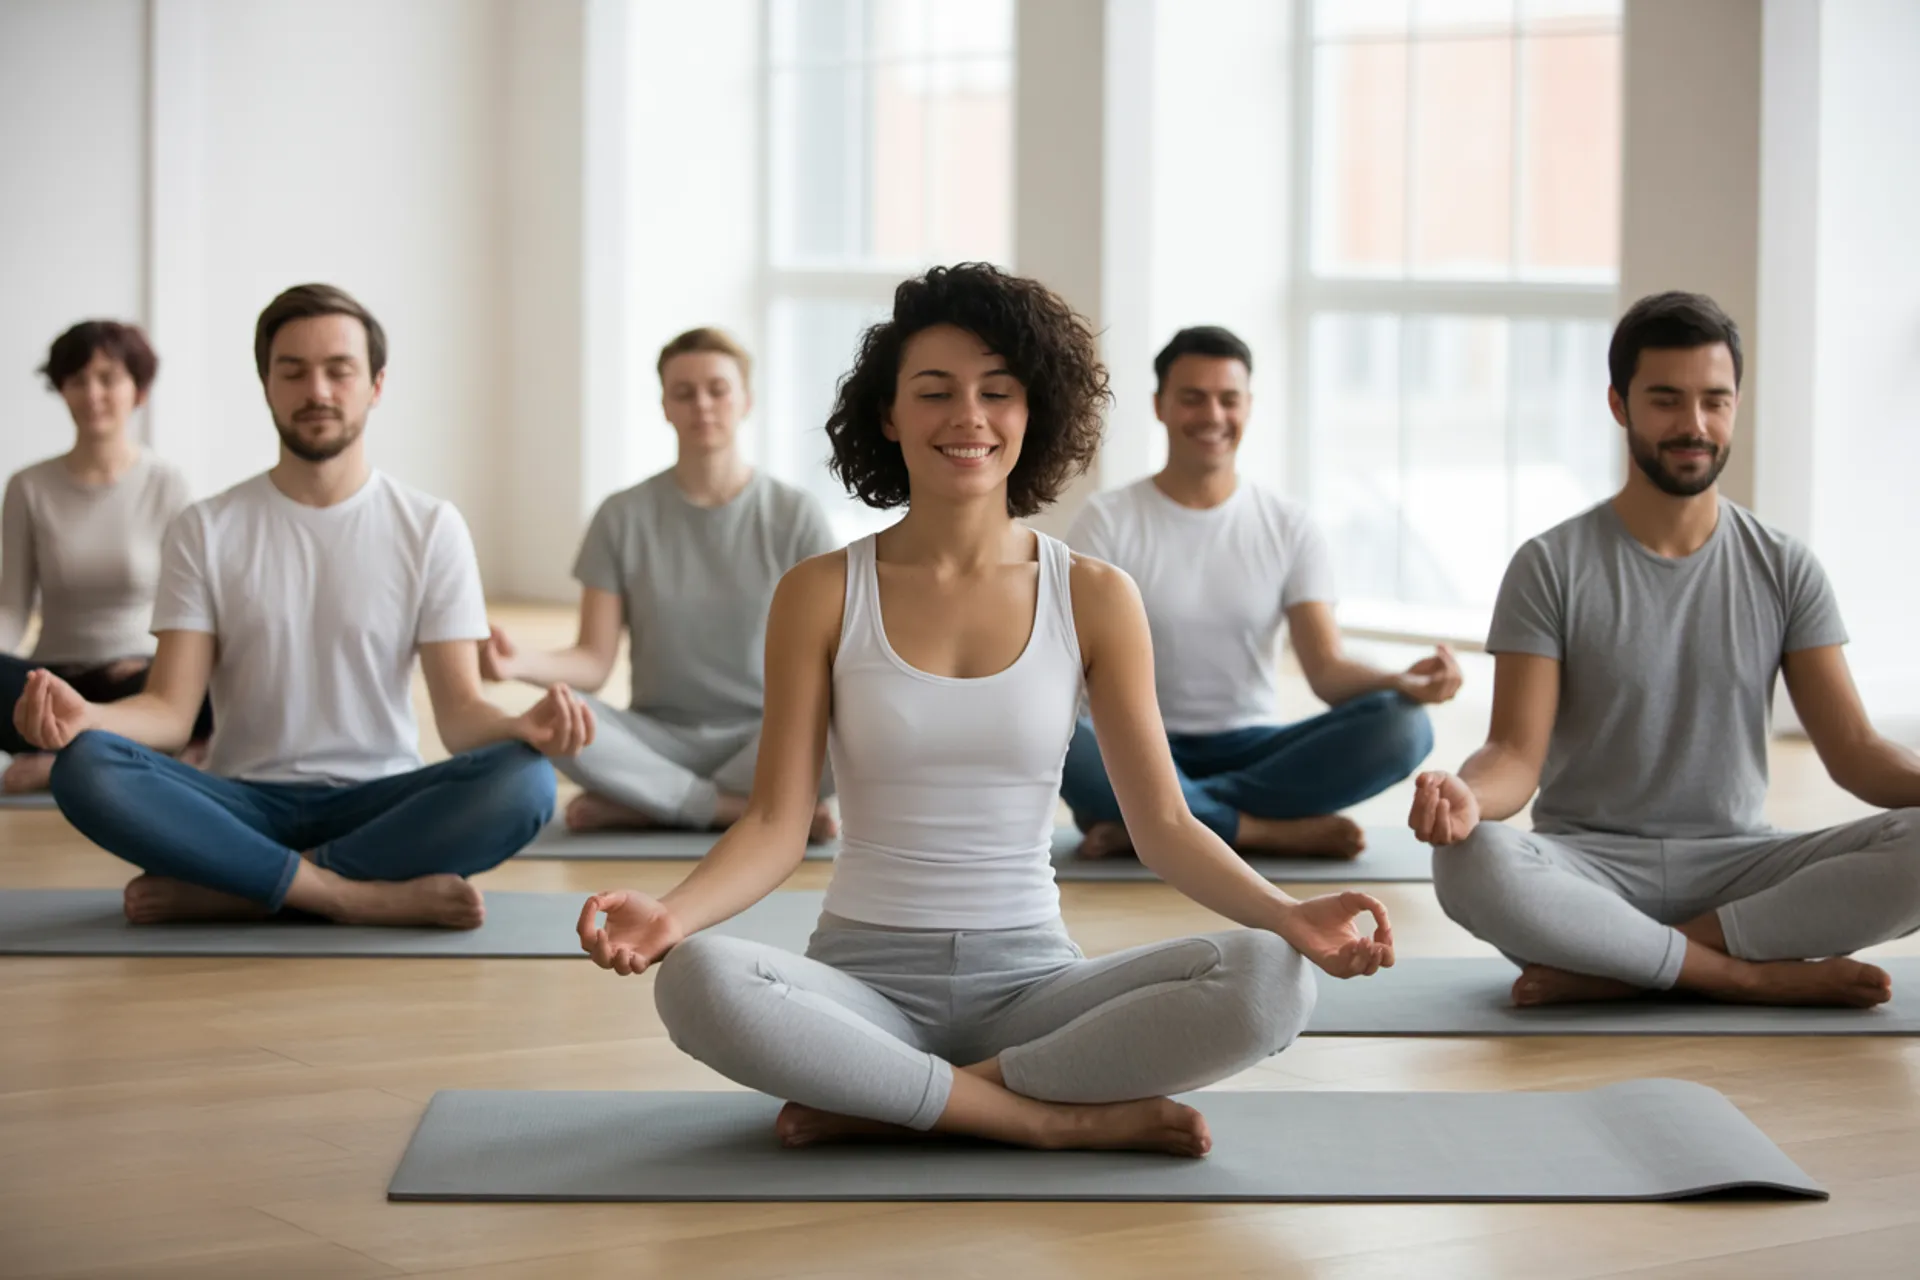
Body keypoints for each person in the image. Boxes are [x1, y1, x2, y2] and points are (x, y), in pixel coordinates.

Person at [576, 264, 1393, 1158]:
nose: (968, 416)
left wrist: (1287, 915)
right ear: (889, 417)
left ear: (1031, 412)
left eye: (996, 392)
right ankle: (1034, 1116)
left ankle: (900, 1098)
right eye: (935, 392)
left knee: (1270, 980)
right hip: (863, 987)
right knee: (697, 978)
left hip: (1033, 987)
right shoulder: (818, 593)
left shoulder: (1093, 595)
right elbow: (776, 822)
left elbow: (1159, 822)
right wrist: (673, 915)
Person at [13, 284, 591, 929]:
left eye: (338, 371)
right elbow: (172, 713)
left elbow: (459, 717)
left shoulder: (431, 526)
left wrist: (523, 726)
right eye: (293, 372)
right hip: (239, 799)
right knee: (88, 766)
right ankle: (349, 894)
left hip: (381, 798)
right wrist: (89, 715)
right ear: (266, 385)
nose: (317, 391)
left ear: (375, 385)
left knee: (526, 782)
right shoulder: (205, 527)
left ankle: (240, 885)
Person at [1410, 291, 1920, 1009]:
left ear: (1736, 404)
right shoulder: (1549, 564)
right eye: (1667, 401)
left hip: (1742, 865)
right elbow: (1514, 757)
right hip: (1588, 867)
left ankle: (1628, 963)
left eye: (1715, 401)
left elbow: (1856, 751)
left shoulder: (1786, 566)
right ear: (1619, 406)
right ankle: (1743, 975)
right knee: (1472, 858)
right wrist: (1468, 795)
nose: (1695, 425)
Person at [1060, 326, 1459, 861]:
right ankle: (1261, 831)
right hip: (1136, 744)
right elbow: (1068, 666)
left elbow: (1327, 670)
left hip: (1256, 750)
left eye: (1229, 400)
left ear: (1249, 407)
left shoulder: (1289, 525)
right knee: (1058, 735)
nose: (1213, 416)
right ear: (1160, 405)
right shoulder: (1106, 521)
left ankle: (1155, 823)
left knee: (1404, 727)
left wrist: (1400, 680)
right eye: (1192, 398)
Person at [481, 328, 839, 840]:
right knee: (561, 718)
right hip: (657, 736)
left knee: (846, 721)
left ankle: (650, 803)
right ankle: (736, 810)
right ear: (665, 406)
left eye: (718, 389)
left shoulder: (794, 514)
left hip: (766, 736)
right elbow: (592, 662)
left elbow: (829, 656)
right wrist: (519, 662)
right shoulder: (621, 515)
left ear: (746, 401)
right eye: (684, 392)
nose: (703, 405)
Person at [1, 321, 207, 793]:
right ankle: (120, 756)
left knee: (206, 682)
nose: (92, 394)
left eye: (108, 378)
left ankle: (56, 763)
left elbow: (186, 603)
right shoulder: (27, 486)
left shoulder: (166, 483)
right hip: (48, 685)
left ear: (138, 390)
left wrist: (152, 668)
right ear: (62, 391)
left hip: (134, 683)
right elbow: (12, 607)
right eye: (77, 381)